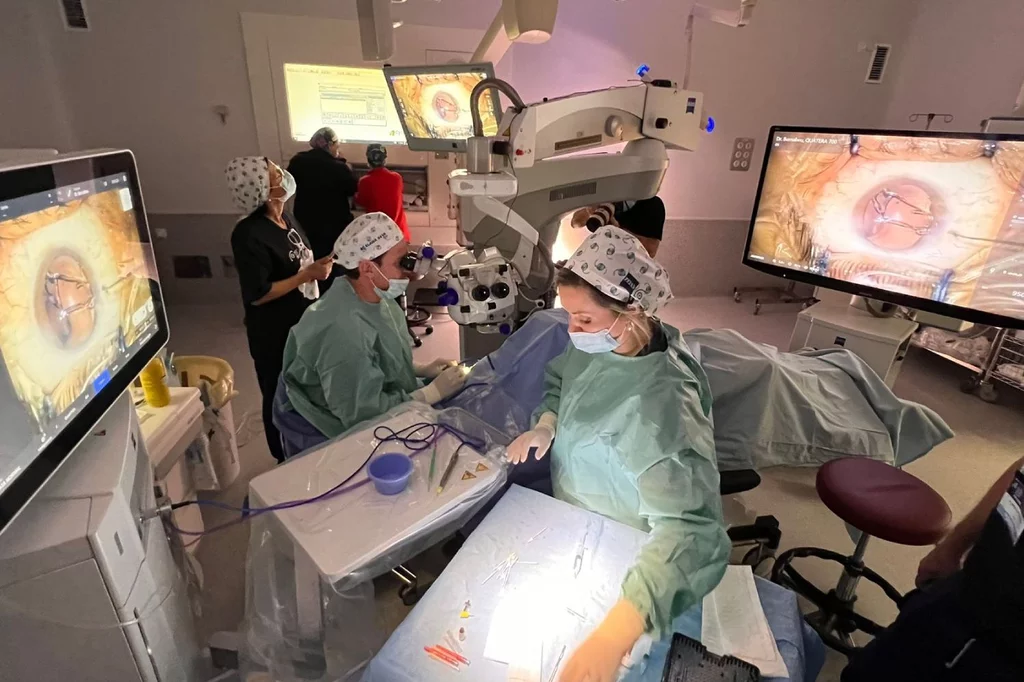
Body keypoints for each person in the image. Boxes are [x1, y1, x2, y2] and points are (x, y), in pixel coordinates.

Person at [506, 226, 729, 682]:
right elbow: (560, 380)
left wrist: (616, 634)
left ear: (632, 311)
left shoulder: (664, 409)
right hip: (580, 520)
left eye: (584, 320)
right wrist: (547, 423)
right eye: (567, 316)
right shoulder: (600, 344)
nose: (572, 331)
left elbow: (691, 532)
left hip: (633, 547)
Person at [276, 212, 464, 447]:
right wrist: (431, 393)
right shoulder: (343, 332)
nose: (408, 270)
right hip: (323, 418)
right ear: (367, 268)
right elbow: (362, 415)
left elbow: (379, 354)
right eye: (400, 262)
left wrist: (422, 369)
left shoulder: (374, 296)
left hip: (349, 387)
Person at [841, 454, 1024, 682]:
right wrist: (953, 546)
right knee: (866, 671)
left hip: (1004, 651)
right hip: (961, 593)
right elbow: (1019, 477)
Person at [226, 156, 333, 463]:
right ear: (263, 187)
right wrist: (305, 276)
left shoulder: (286, 219)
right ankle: (282, 455)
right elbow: (258, 294)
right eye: (275, 173)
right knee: (278, 392)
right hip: (273, 330)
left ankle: (306, 440)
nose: (283, 175)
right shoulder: (248, 234)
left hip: (302, 319)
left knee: (304, 387)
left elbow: (297, 257)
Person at [287, 127, 358, 264]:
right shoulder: (339, 167)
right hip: (334, 225)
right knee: (333, 261)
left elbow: (289, 185)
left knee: (311, 258)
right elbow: (352, 189)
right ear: (330, 145)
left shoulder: (297, 161)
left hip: (306, 222)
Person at [571, 196, 666, 257]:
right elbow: (574, 223)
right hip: (601, 261)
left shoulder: (652, 204)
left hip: (627, 270)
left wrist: (617, 231)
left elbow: (651, 251)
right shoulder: (608, 199)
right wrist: (591, 212)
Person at [355, 143, 410, 241]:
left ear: (368, 160)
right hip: (400, 235)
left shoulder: (364, 181)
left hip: (379, 238)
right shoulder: (397, 178)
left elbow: (361, 202)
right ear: (384, 160)